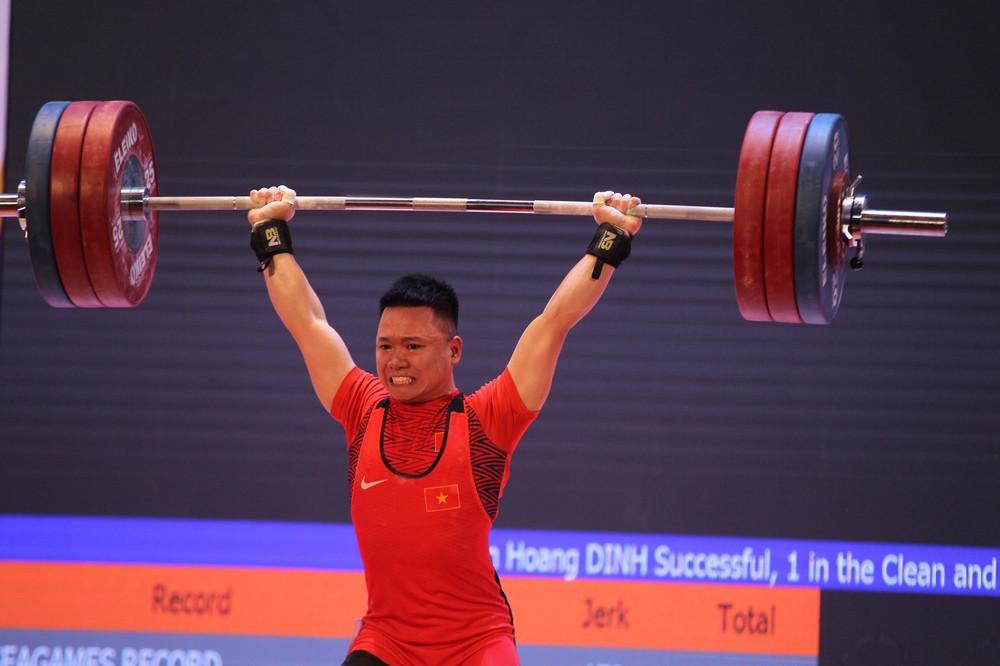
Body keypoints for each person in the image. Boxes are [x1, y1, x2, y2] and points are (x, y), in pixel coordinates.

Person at [247, 185, 642, 666]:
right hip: (387, 642)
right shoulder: (361, 408)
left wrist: (611, 237)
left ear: (454, 350)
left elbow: (554, 321)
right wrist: (270, 231)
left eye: (413, 346)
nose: (395, 360)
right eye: (385, 346)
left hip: (477, 644)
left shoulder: (489, 419)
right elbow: (307, 322)